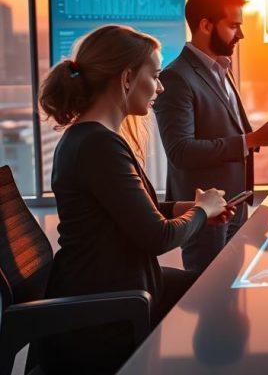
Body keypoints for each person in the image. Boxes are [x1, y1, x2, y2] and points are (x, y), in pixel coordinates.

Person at [35, 25, 230, 374]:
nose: (160, 86)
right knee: (217, 294)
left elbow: (125, 210)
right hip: (108, 306)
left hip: (117, 284)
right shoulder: (98, 145)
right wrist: (202, 211)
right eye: (154, 76)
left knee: (214, 286)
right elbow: (158, 237)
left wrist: (181, 208)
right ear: (126, 78)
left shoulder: (94, 138)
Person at [154, 0, 268, 273]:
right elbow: (181, 151)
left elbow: (225, 130)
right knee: (208, 296)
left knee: (234, 293)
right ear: (205, 25)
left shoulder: (222, 68)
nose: (241, 35)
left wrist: (260, 136)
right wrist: (252, 139)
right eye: (233, 26)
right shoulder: (176, 77)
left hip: (234, 203)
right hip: (204, 212)